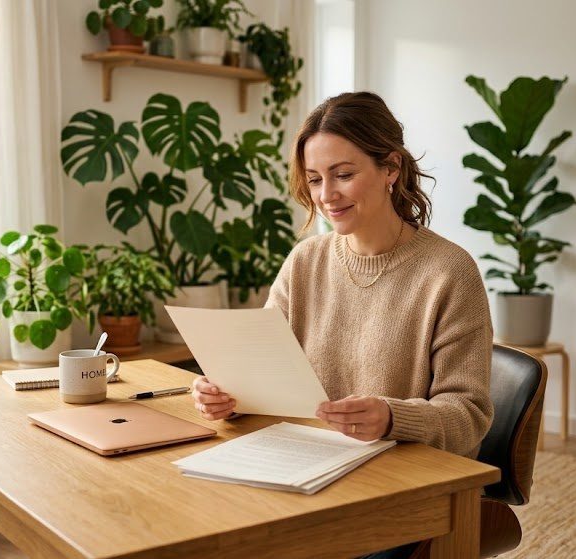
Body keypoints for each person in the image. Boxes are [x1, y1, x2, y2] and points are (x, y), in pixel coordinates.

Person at [191, 92, 494, 559]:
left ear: (391, 168)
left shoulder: (449, 272)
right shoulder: (306, 261)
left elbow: (468, 416)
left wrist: (393, 417)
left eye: (344, 175)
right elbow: (264, 368)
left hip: (399, 487)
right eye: (315, 180)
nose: (326, 195)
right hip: (303, 470)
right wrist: (227, 392)